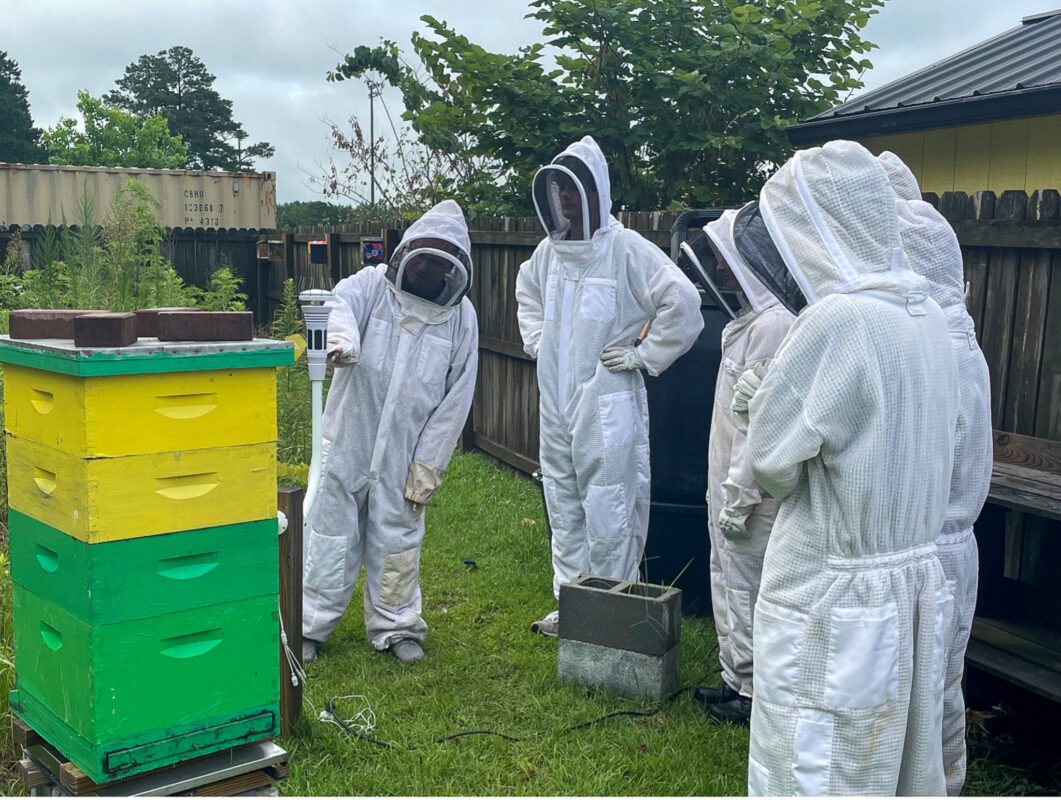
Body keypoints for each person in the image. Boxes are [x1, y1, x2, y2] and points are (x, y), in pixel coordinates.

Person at [735, 140, 958, 795]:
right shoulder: (929, 316)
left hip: (829, 585)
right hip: (912, 582)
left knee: (812, 764)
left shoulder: (836, 321)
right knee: (892, 766)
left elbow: (773, 465)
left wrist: (759, 404)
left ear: (812, 227)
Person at [515, 135, 703, 636]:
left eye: (576, 188)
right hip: (555, 397)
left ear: (597, 190)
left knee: (610, 507)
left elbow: (683, 304)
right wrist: (537, 341)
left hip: (606, 398)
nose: (567, 198)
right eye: (560, 189)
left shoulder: (625, 249)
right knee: (563, 503)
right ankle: (573, 608)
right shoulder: (549, 253)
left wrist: (644, 355)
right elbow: (527, 293)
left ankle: (611, 614)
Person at [302, 200, 479, 664]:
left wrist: (429, 464)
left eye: (439, 261)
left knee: (398, 538)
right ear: (407, 250)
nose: (426, 267)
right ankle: (308, 625)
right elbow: (338, 306)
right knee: (329, 534)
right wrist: (341, 341)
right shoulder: (370, 286)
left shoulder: (461, 319)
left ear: (452, 269)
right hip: (348, 439)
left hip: (405, 453)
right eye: (422, 254)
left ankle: (397, 626)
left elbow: (456, 398)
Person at [883, 152, 993, 796]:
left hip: (932, 548)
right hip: (942, 548)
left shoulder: (939, 351)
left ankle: (935, 784)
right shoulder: (958, 340)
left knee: (927, 685)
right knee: (934, 680)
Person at [688, 209, 795, 725]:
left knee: (750, 588)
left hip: (750, 494)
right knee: (727, 578)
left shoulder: (774, 326)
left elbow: (760, 425)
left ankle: (754, 694)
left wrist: (742, 493)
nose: (719, 269)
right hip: (728, 484)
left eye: (724, 259)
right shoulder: (747, 322)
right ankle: (735, 678)